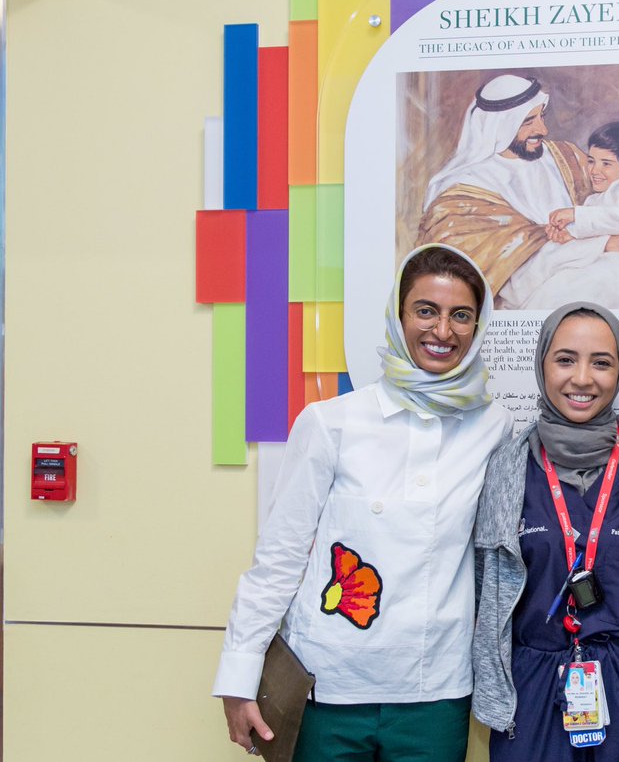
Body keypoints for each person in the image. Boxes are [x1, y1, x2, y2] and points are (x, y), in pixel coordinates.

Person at [212, 244, 513, 761]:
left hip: (435, 691)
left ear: (478, 326)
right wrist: (239, 676)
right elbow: (279, 557)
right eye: (426, 310)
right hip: (328, 685)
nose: (443, 330)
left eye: (461, 315)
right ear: (398, 316)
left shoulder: (494, 427)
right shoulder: (331, 423)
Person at [472, 302, 619, 761]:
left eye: (601, 362)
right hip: (529, 692)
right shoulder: (506, 468)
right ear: (541, 364)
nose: (582, 378)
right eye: (565, 359)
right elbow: (483, 587)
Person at [418, 74, 619, 309]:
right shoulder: (460, 198)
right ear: (499, 126)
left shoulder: (567, 157)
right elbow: (503, 277)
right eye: (528, 121)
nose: (543, 130)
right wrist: (606, 244)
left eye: (541, 116)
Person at [536, 122, 619, 309]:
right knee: (556, 285)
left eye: (606, 163)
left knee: (564, 289)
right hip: (603, 265)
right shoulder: (594, 199)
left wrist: (575, 215)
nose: (594, 170)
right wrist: (569, 235)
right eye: (591, 161)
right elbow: (594, 229)